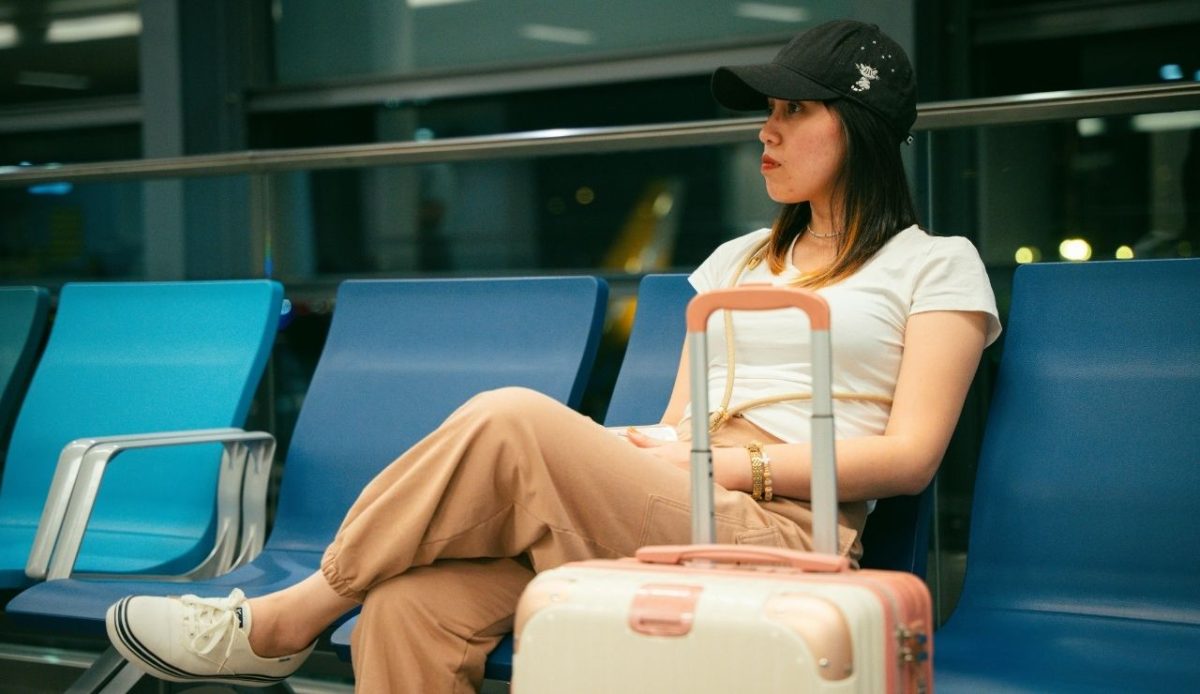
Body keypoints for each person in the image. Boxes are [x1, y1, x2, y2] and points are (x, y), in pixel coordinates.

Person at [105, 19, 1000, 693]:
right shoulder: (734, 261)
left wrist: (728, 464)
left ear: (863, 127)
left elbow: (910, 459)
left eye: (794, 111)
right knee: (406, 612)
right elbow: (679, 422)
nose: (766, 131)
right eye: (767, 111)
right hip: (672, 503)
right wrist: (663, 452)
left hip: (786, 530)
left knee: (512, 416)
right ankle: (314, 609)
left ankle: (288, 616)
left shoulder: (934, 265)